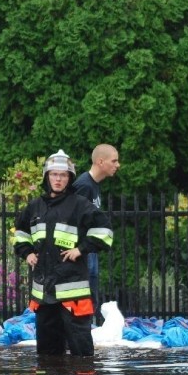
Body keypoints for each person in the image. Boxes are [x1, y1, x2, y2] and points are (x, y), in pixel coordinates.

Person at [14, 149, 113, 356]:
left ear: (69, 178)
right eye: (54, 174)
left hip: (73, 292)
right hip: (44, 294)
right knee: (47, 354)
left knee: (81, 352)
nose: (58, 179)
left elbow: (105, 232)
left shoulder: (80, 205)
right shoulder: (35, 207)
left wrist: (81, 249)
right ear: (47, 177)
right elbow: (21, 233)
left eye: (63, 175)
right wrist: (27, 252)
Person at [72, 144, 120, 315]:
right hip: (82, 250)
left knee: (91, 291)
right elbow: (74, 220)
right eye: (114, 161)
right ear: (100, 161)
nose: (117, 165)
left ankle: (87, 327)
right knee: (86, 291)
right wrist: (81, 248)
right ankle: (84, 328)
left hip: (88, 249)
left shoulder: (94, 185)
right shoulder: (84, 186)